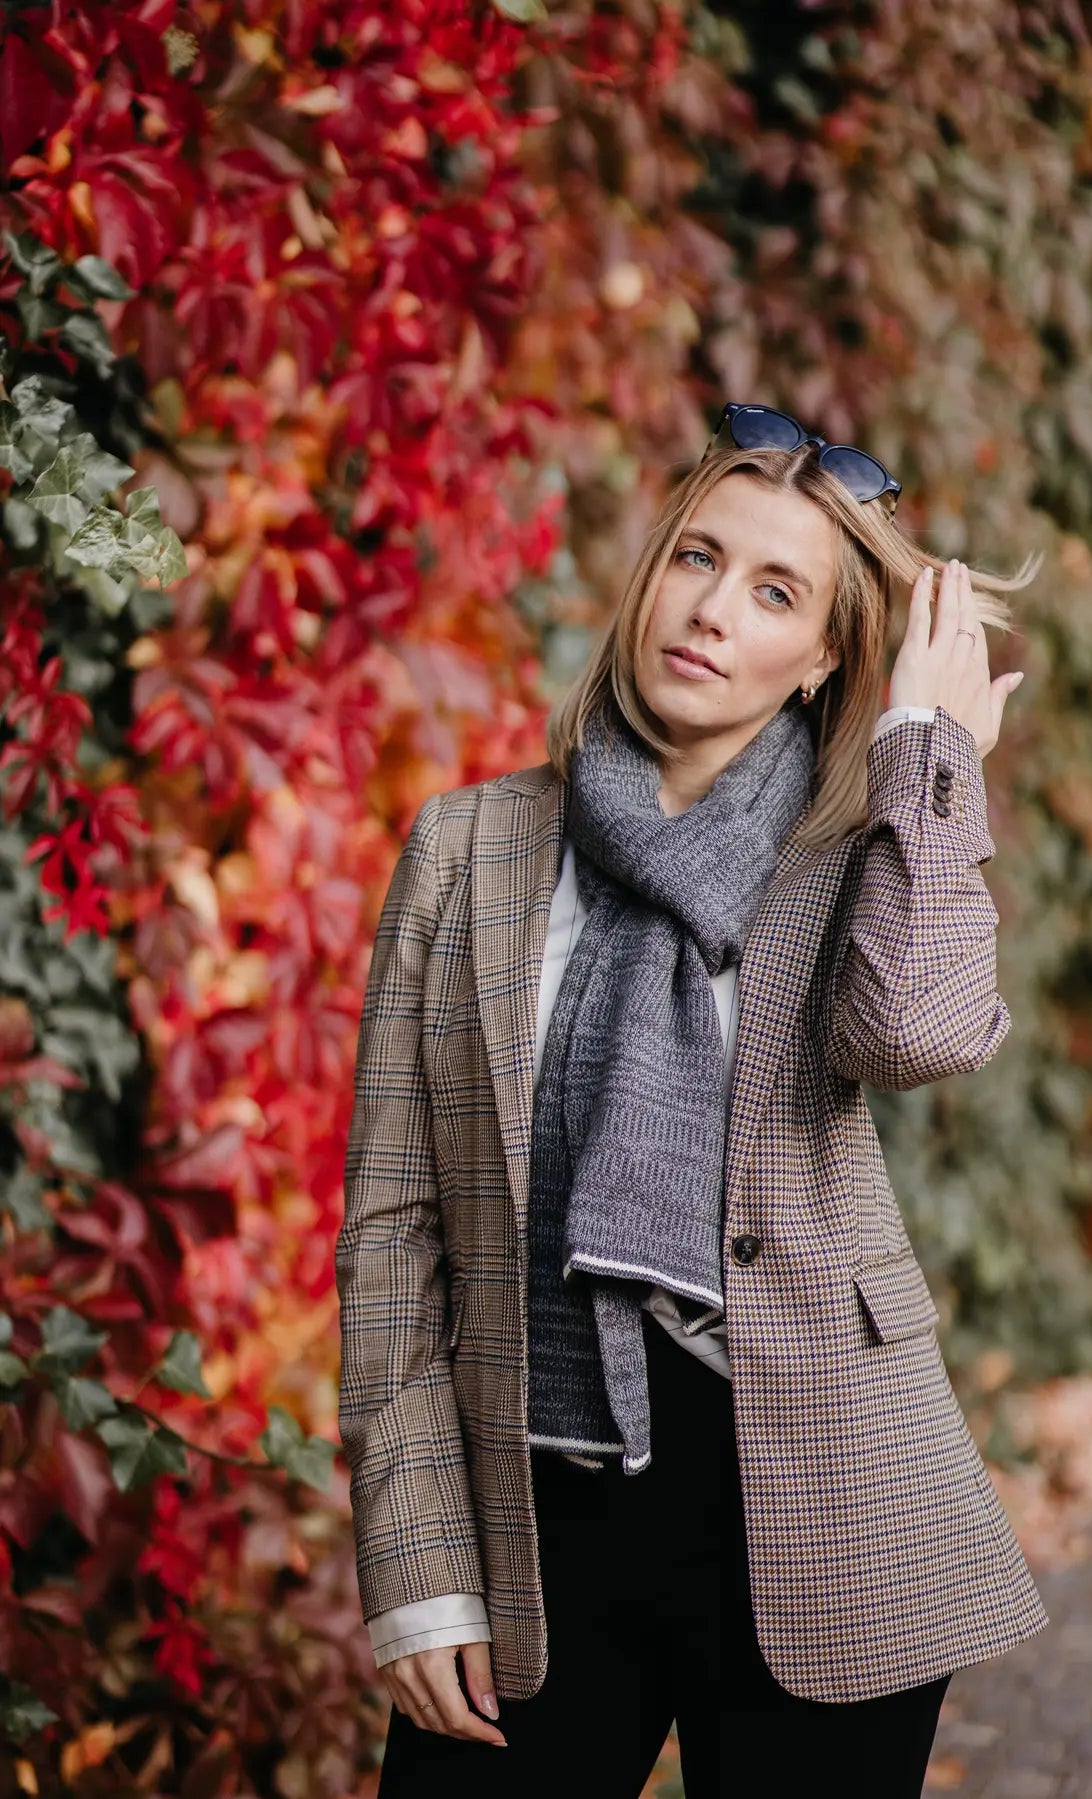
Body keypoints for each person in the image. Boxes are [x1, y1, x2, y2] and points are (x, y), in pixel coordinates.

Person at [335, 403, 1050, 1799]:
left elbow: (917, 1031)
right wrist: (416, 1572)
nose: (714, 610)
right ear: (649, 572)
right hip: (533, 1510)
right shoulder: (469, 847)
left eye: (776, 591)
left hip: (825, 1502)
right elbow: (392, 1227)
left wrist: (933, 762)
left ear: (824, 656)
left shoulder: (862, 854)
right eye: (697, 560)